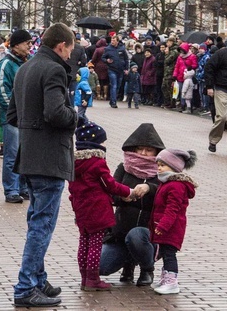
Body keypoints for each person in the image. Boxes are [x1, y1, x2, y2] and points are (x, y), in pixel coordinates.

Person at [8, 22, 77, 307]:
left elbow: (12, 115)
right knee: (42, 224)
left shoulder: (25, 67)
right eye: (70, 49)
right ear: (61, 46)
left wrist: (31, 129)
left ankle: (37, 278)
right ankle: (26, 287)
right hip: (49, 157)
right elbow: (57, 113)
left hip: (31, 156)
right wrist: (75, 115)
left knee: (38, 219)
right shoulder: (54, 69)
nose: (71, 56)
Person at [68, 119, 134, 291]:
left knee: (84, 242)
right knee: (96, 245)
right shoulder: (97, 163)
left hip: (81, 209)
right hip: (97, 209)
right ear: (96, 143)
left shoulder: (74, 164)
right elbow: (110, 184)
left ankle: (84, 277)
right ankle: (93, 278)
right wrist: (128, 192)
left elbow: (72, 188)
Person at [99, 123, 162, 286]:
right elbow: (111, 191)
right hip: (120, 234)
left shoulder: (162, 171)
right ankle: (129, 262)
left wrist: (150, 188)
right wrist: (123, 196)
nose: (143, 153)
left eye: (148, 150)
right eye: (140, 149)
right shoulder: (124, 168)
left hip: (148, 234)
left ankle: (147, 268)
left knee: (136, 236)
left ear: (156, 151)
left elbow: (167, 195)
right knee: (100, 267)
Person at [135, 148, 197, 295]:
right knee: (164, 252)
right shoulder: (167, 183)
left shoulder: (175, 185)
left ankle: (172, 282)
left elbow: (172, 210)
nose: (159, 168)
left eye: (163, 165)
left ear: (174, 167)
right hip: (164, 227)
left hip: (171, 228)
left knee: (169, 254)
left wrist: (163, 226)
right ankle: (166, 279)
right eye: (159, 165)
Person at [0, 29, 31, 202]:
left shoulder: (26, 63)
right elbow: (1, 92)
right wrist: (16, 111)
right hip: (12, 119)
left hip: (26, 118)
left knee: (24, 155)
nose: (30, 46)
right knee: (12, 155)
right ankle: (11, 190)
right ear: (16, 45)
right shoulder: (6, 65)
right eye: (26, 43)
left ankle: (22, 187)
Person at [104, 36, 129, 108]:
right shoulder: (108, 49)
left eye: (114, 40)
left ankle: (112, 100)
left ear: (117, 41)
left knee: (118, 86)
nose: (112, 42)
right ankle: (114, 102)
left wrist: (126, 68)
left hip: (120, 70)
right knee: (114, 85)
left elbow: (126, 59)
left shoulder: (122, 48)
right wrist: (107, 60)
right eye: (112, 40)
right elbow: (103, 57)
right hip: (112, 69)